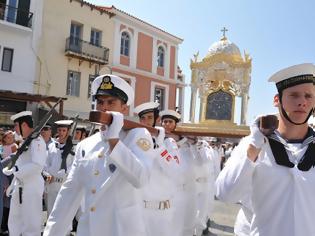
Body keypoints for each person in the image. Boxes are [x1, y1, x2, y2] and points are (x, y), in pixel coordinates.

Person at [44, 74, 154, 236]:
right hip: (90, 230)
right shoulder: (85, 145)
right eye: (100, 102)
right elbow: (68, 194)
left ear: (124, 109)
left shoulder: (137, 135)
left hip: (121, 230)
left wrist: (114, 141)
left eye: (111, 102)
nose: (104, 107)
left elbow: (141, 179)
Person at [216, 63, 315, 236]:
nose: (302, 102)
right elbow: (226, 194)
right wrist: (254, 146)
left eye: (308, 96)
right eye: (294, 95)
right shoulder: (253, 144)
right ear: (277, 100)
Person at [134, 102, 180, 236]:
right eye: (143, 118)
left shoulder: (168, 142)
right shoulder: (136, 140)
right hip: (139, 208)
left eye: (149, 117)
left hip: (162, 211)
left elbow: (175, 170)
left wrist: (159, 147)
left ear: (156, 120)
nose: (146, 122)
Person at [3, 111, 47, 236]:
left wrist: (16, 171)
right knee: (14, 221)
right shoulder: (26, 142)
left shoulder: (37, 141)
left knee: (31, 224)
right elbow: (21, 164)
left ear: (24, 125)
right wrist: (12, 184)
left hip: (31, 188)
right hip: (20, 186)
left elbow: (37, 165)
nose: (14, 129)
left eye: (16, 125)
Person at [44, 120, 75, 217]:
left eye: (64, 130)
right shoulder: (51, 146)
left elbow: (74, 165)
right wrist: (47, 174)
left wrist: (66, 175)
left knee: (64, 214)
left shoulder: (74, 148)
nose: (61, 133)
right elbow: (46, 163)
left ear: (68, 132)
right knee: (51, 212)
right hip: (51, 183)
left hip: (65, 183)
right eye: (60, 130)